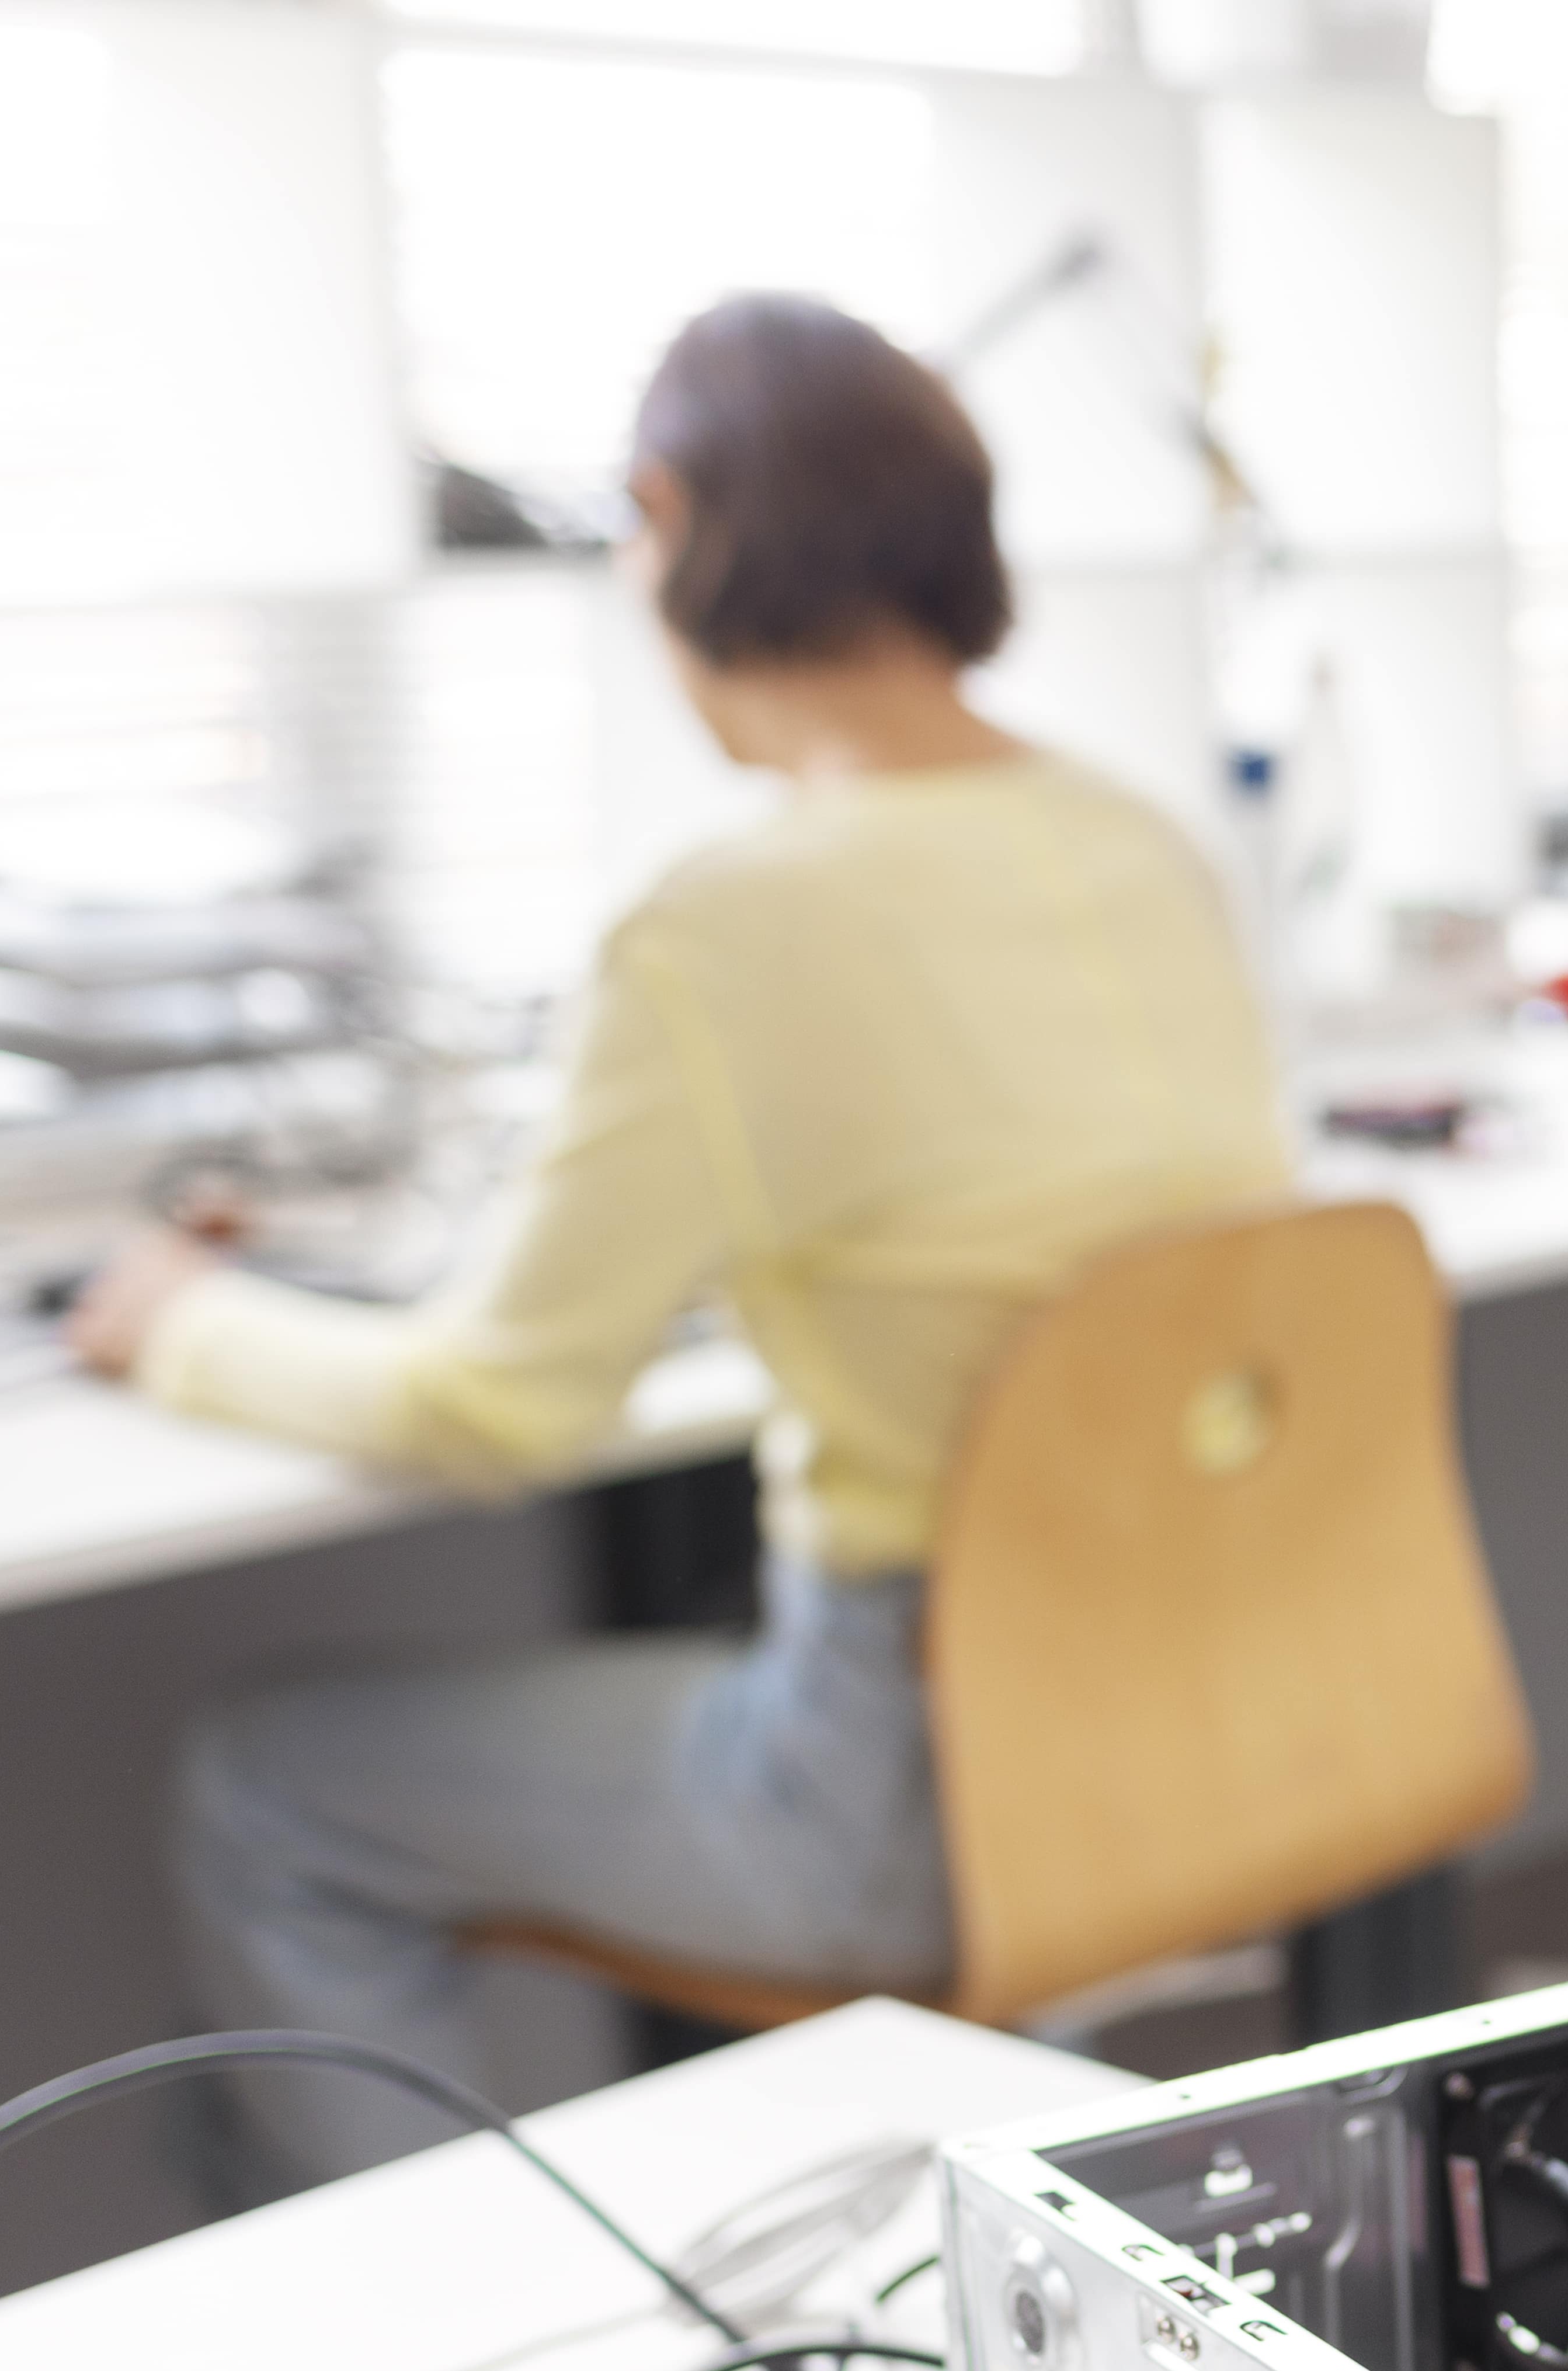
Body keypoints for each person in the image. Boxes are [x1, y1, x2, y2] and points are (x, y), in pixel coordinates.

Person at [71, 294, 1286, 2097]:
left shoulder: (725, 924)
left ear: (668, 523)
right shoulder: (1145, 837)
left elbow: (495, 1406)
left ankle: (464, 2293)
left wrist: (180, 1323)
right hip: (1232, 1700)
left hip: (910, 1794)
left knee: (266, 1779)